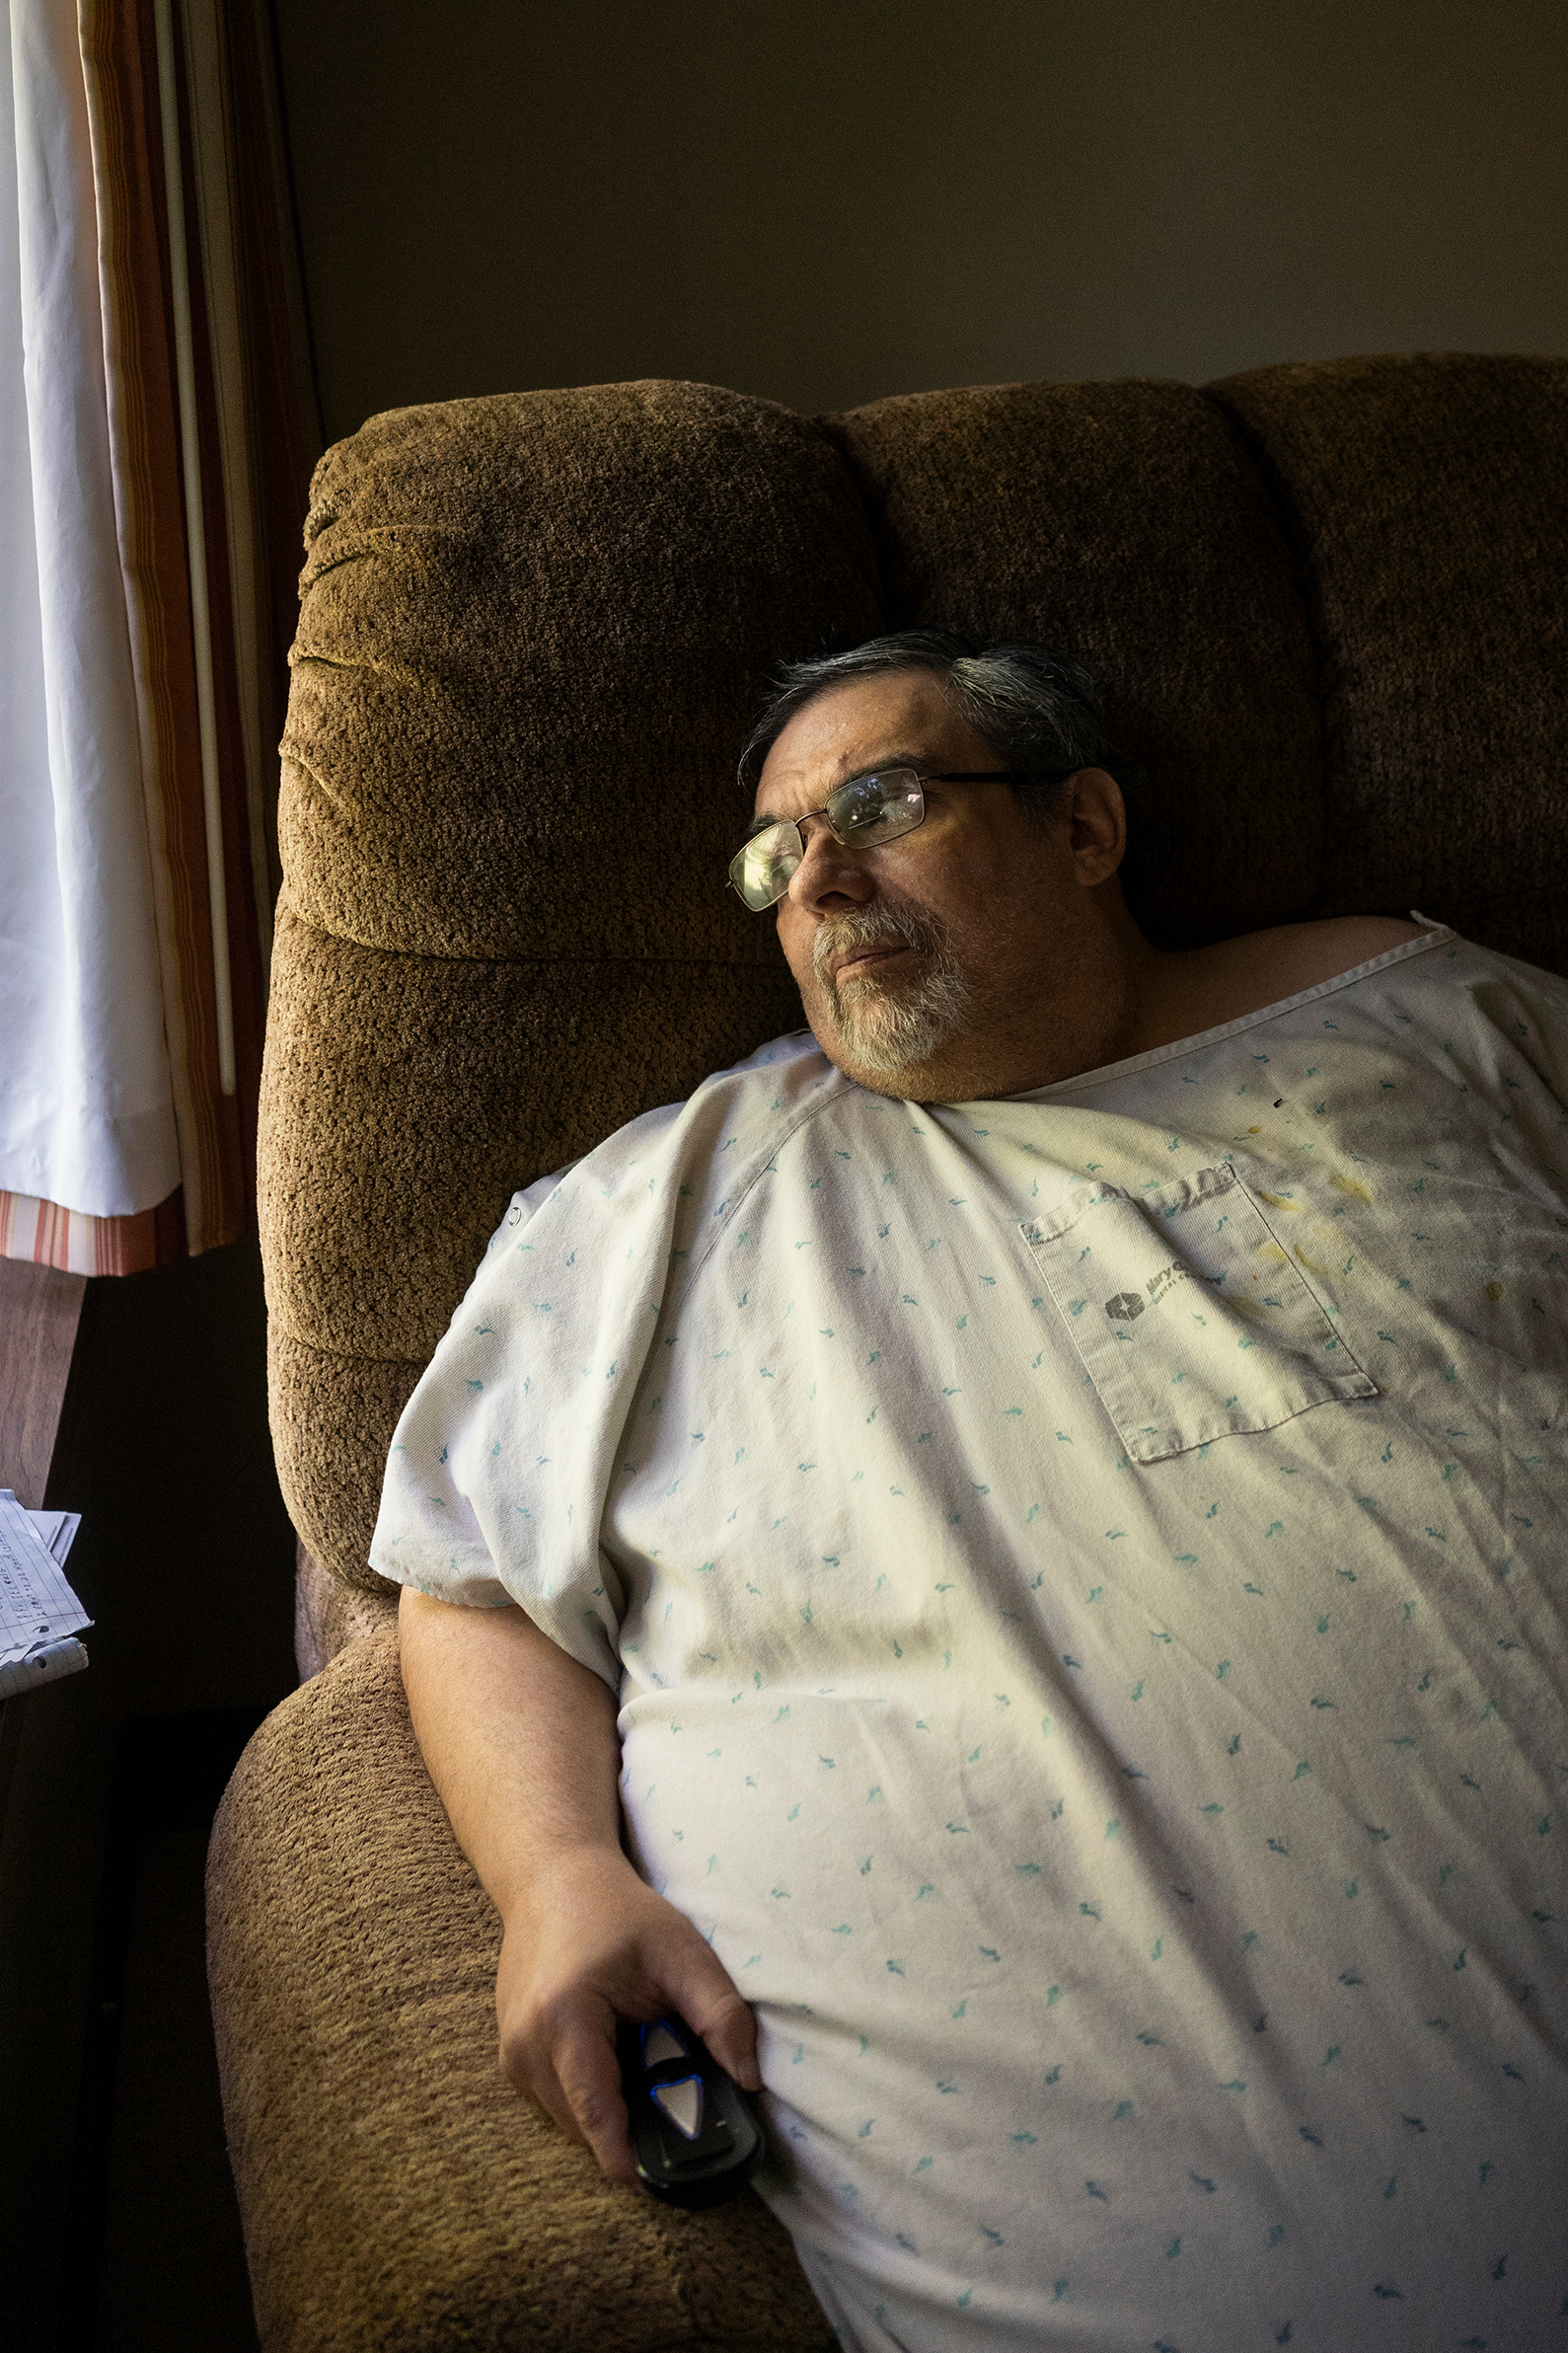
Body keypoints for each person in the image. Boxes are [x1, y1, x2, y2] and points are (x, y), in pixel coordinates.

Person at [374, 631, 1567, 2352]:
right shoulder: (664, 1197)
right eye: (779, 856)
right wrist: (555, 1869)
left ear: (1084, 828)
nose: (822, 877)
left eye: (882, 802)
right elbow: (468, 1576)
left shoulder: (1422, 1008)